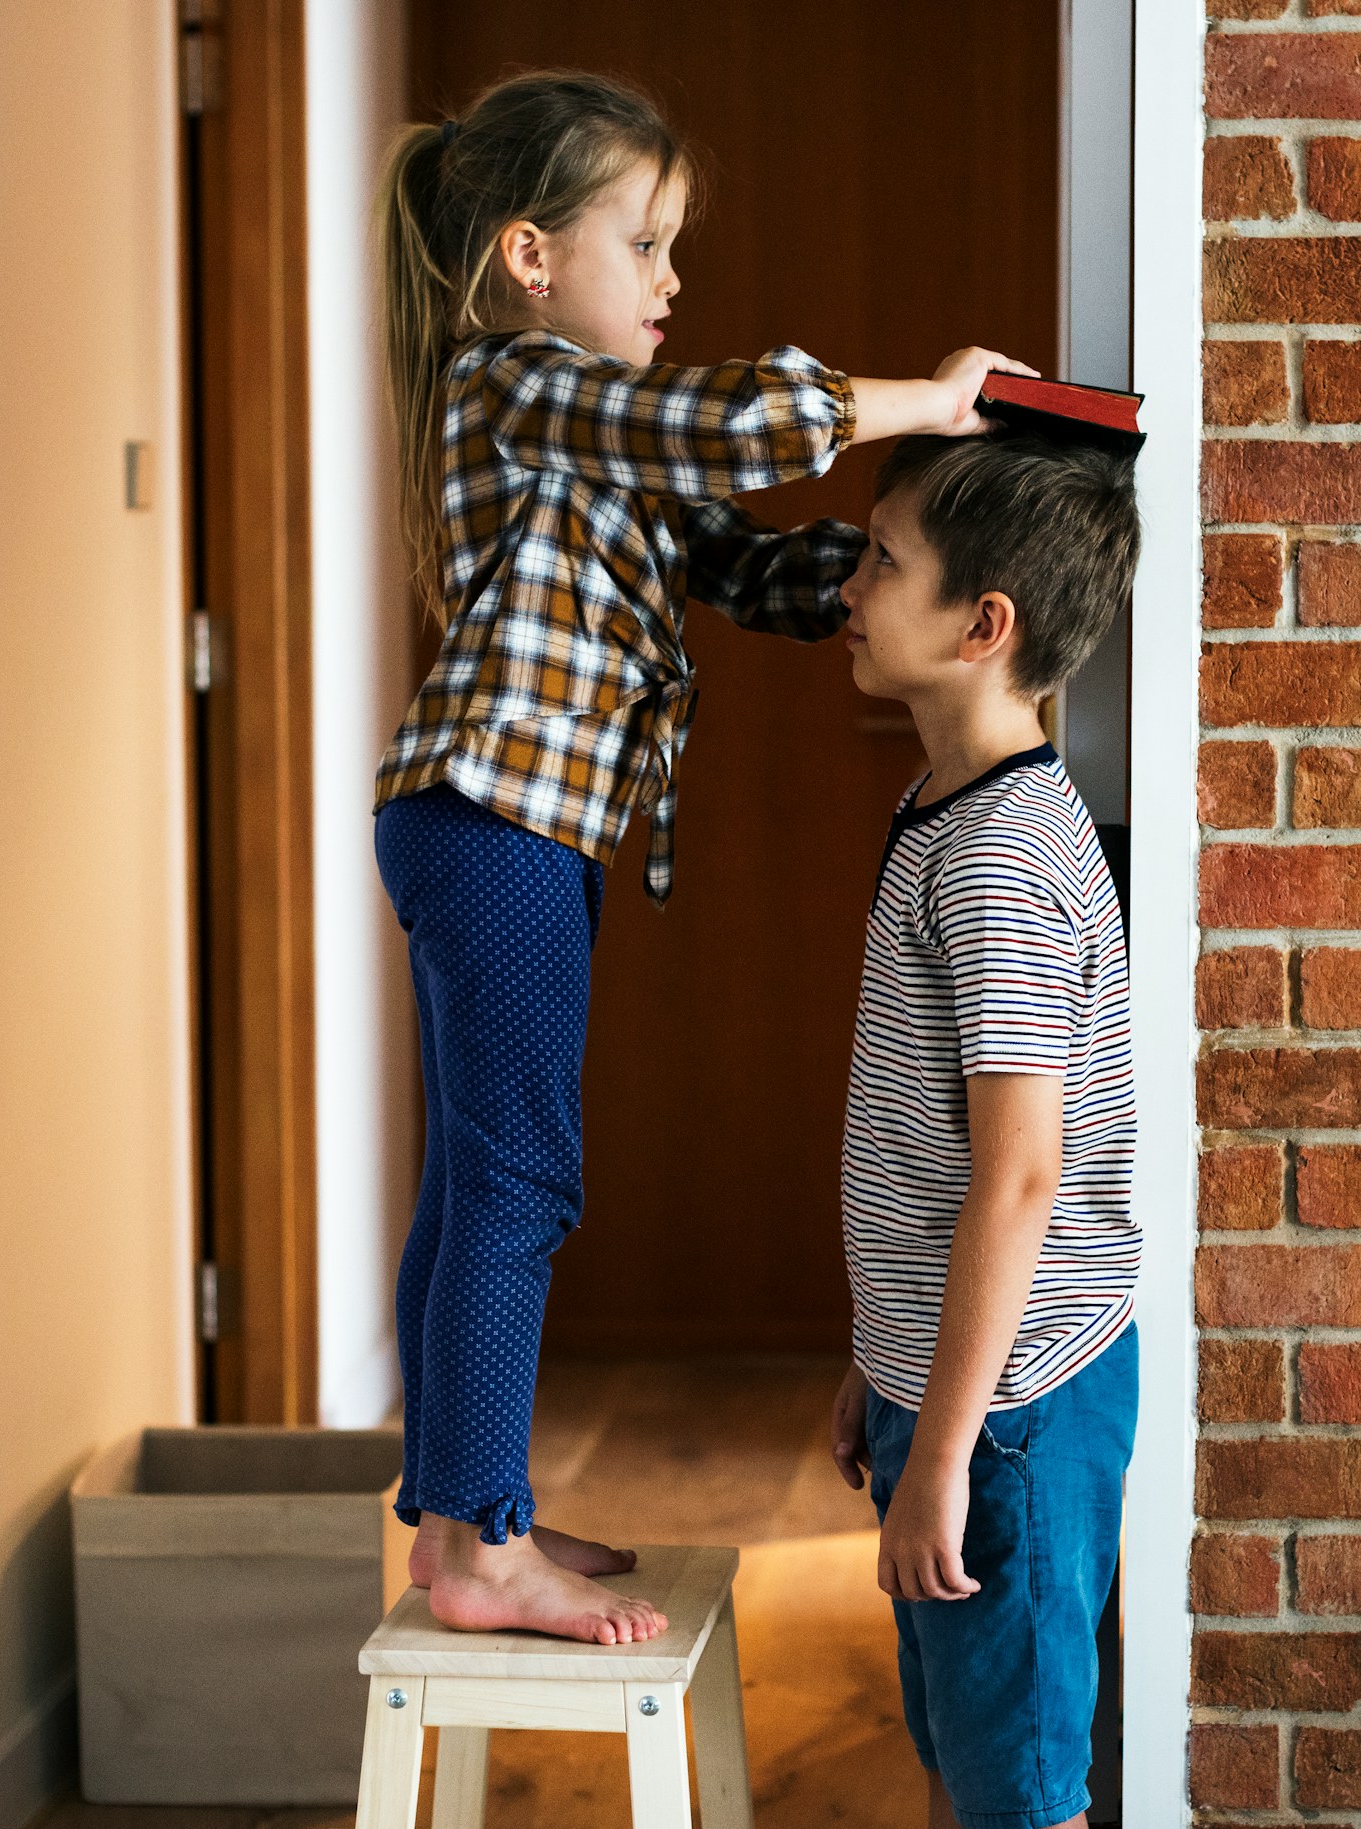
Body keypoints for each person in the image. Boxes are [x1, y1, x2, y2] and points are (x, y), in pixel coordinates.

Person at [373, 68, 1029, 1645]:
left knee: (476, 1178)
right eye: (646, 243)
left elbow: (746, 558)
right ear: (530, 258)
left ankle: (472, 1511)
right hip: (498, 819)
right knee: (521, 1177)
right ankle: (476, 1549)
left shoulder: (591, 443)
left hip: (494, 824)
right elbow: (735, 423)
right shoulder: (519, 382)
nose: (673, 282)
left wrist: (921, 560)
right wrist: (925, 401)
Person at [827, 429, 1141, 1829]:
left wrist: (945, 1448)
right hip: (958, 1389)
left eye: (882, 558)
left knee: (1021, 1797)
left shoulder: (1004, 859)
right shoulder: (954, 811)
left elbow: (1018, 1180)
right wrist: (880, 1363)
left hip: (1008, 1416)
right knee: (967, 1759)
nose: (847, 581)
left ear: (982, 624)